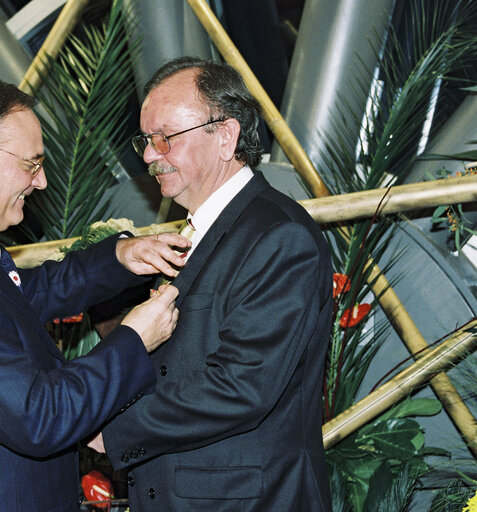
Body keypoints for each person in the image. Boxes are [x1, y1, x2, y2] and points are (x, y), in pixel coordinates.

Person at [0, 78, 190, 511]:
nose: (41, 182)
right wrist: (134, 339)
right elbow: (41, 418)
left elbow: (17, 298)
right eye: (31, 164)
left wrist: (118, 257)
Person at [89, 57, 333, 511]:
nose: (147, 155)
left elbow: (243, 384)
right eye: (145, 140)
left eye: (164, 138)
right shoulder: (200, 231)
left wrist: (113, 429)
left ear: (226, 136)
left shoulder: (279, 236)